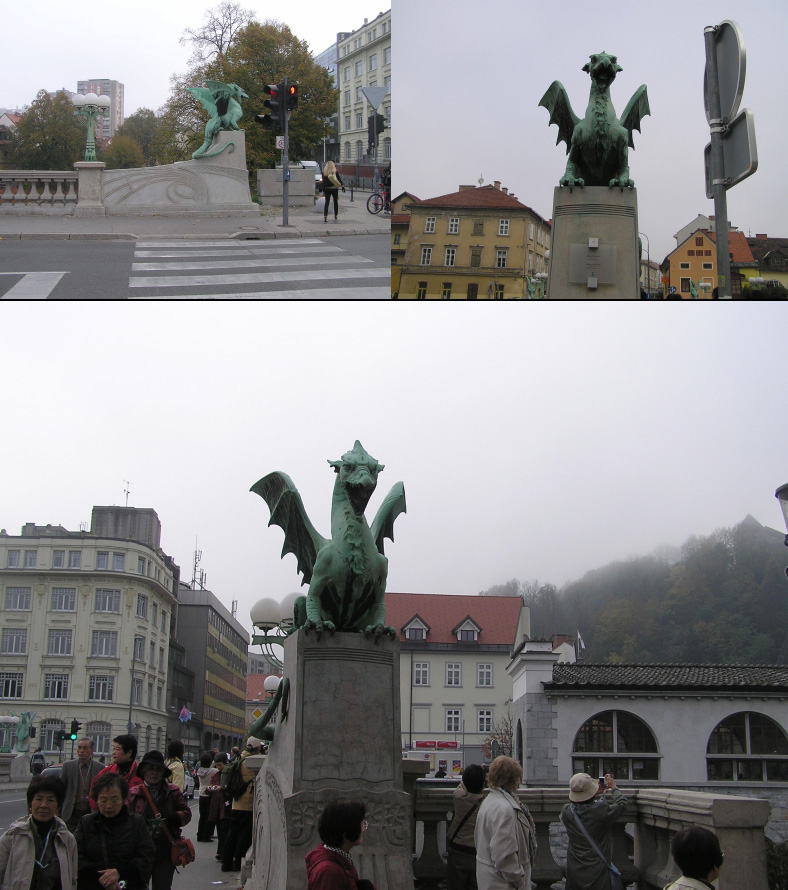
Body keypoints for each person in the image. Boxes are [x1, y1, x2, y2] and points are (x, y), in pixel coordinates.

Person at [75, 773, 154, 890]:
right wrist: (105, 879)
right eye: (103, 800)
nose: (108, 805)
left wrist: (119, 873)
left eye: (114, 799)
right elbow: (77, 857)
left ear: (123, 799)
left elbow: (146, 857)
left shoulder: (137, 823)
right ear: (96, 800)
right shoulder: (86, 823)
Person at [127, 751, 191, 890]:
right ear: (143, 771)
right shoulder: (133, 793)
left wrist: (176, 817)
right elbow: (125, 820)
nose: (154, 773)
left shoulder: (173, 791)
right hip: (140, 850)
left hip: (165, 848)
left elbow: (187, 813)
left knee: (162, 886)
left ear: (163, 772)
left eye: (158, 769)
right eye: (150, 769)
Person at [0, 775, 77, 890]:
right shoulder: (12, 837)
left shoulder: (67, 839)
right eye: (39, 799)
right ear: (30, 804)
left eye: (50, 800)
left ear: (58, 806)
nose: (44, 805)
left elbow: (72, 880)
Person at [474, 756, 535, 890]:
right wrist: (520, 881)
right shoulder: (505, 809)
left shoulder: (489, 801)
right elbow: (504, 856)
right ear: (513, 779)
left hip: (488, 879)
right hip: (503, 883)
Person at [560, 773, 627, 890]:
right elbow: (622, 804)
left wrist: (592, 793)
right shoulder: (600, 812)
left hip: (575, 872)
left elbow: (582, 805)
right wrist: (614, 788)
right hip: (598, 874)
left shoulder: (567, 812)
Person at [305, 799, 374, 890]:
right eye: (361, 825)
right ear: (346, 835)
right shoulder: (328, 871)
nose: (363, 829)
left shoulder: (341, 858)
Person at [221, 736, 261, 872]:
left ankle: (226, 862)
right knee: (244, 835)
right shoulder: (251, 762)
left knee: (232, 833)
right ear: (257, 749)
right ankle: (238, 862)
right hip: (247, 804)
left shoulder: (239, 759)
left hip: (236, 803)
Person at [447, 763, 485, 890]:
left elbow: (461, 785)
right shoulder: (486, 802)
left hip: (458, 849)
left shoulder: (459, 797)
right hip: (477, 852)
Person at [62, 738, 104, 832]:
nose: (81, 751)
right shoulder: (68, 766)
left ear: (91, 751)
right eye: (80, 748)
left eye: (85, 748)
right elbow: (61, 789)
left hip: (91, 812)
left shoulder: (100, 767)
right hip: (71, 813)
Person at [91, 734, 142, 806]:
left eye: (117, 749)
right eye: (113, 749)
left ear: (129, 753)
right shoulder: (106, 772)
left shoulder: (140, 774)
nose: (113, 753)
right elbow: (93, 792)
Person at [208, 753, 230, 862]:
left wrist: (221, 788)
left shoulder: (229, 773)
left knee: (224, 830)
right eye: (216, 765)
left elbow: (230, 787)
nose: (218, 767)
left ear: (225, 763)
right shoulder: (215, 775)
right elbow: (209, 789)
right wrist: (210, 788)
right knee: (219, 829)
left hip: (225, 805)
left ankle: (221, 852)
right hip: (216, 805)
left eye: (220, 765)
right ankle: (221, 852)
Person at [195, 752, 219, 842]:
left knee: (202, 816)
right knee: (209, 816)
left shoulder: (200, 771)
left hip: (201, 794)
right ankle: (206, 836)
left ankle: (199, 835)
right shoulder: (213, 771)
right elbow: (215, 768)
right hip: (209, 794)